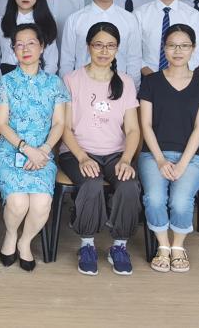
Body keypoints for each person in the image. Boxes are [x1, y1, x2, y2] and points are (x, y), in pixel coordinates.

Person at [59, 21, 141, 276]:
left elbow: (133, 130)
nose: (104, 51)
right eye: (98, 45)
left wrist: (126, 159)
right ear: (88, 46)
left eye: (110, 46)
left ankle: (120, 246)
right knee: (92, 183)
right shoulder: (72, 80)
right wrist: (82, 157)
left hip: (115, 153)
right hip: (77, 152)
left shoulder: (125, 82)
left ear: (117, 49)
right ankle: (87, 245)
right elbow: (65, 128)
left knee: (129, 184)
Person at [138, 24, 199, 273]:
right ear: (164, 49)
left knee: (181, 202)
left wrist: (182, 164)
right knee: (154, 198)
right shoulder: (151, 82)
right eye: (172, 45)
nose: (178, 51)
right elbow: (145, 125)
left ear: (193, 49)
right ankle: (163, 246)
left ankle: (178, 247)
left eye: (184, 46)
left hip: (191, 157)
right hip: (153, 154)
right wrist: (161, 160)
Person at [0, 24, 69, 272]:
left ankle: (25, 242)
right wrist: (27, 149)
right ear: (13, 50)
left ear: (42, 46)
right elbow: (1, 125)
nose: (25, 49)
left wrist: (43, 150)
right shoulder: (5, 82)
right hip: (9, 153)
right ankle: (11, 235)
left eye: (31, 43)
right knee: (18, 203)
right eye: (19, 45)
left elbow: (59, 123)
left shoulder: (55, 83)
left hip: (43, 154)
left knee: (41, 203)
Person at [60, 0, 143, 88]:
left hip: (119, 88)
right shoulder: (75, 19)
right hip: (82, 88)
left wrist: (132, 91)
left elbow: (134, 60)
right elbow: (67, 61)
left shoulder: (129, 19)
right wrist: (67, 91)